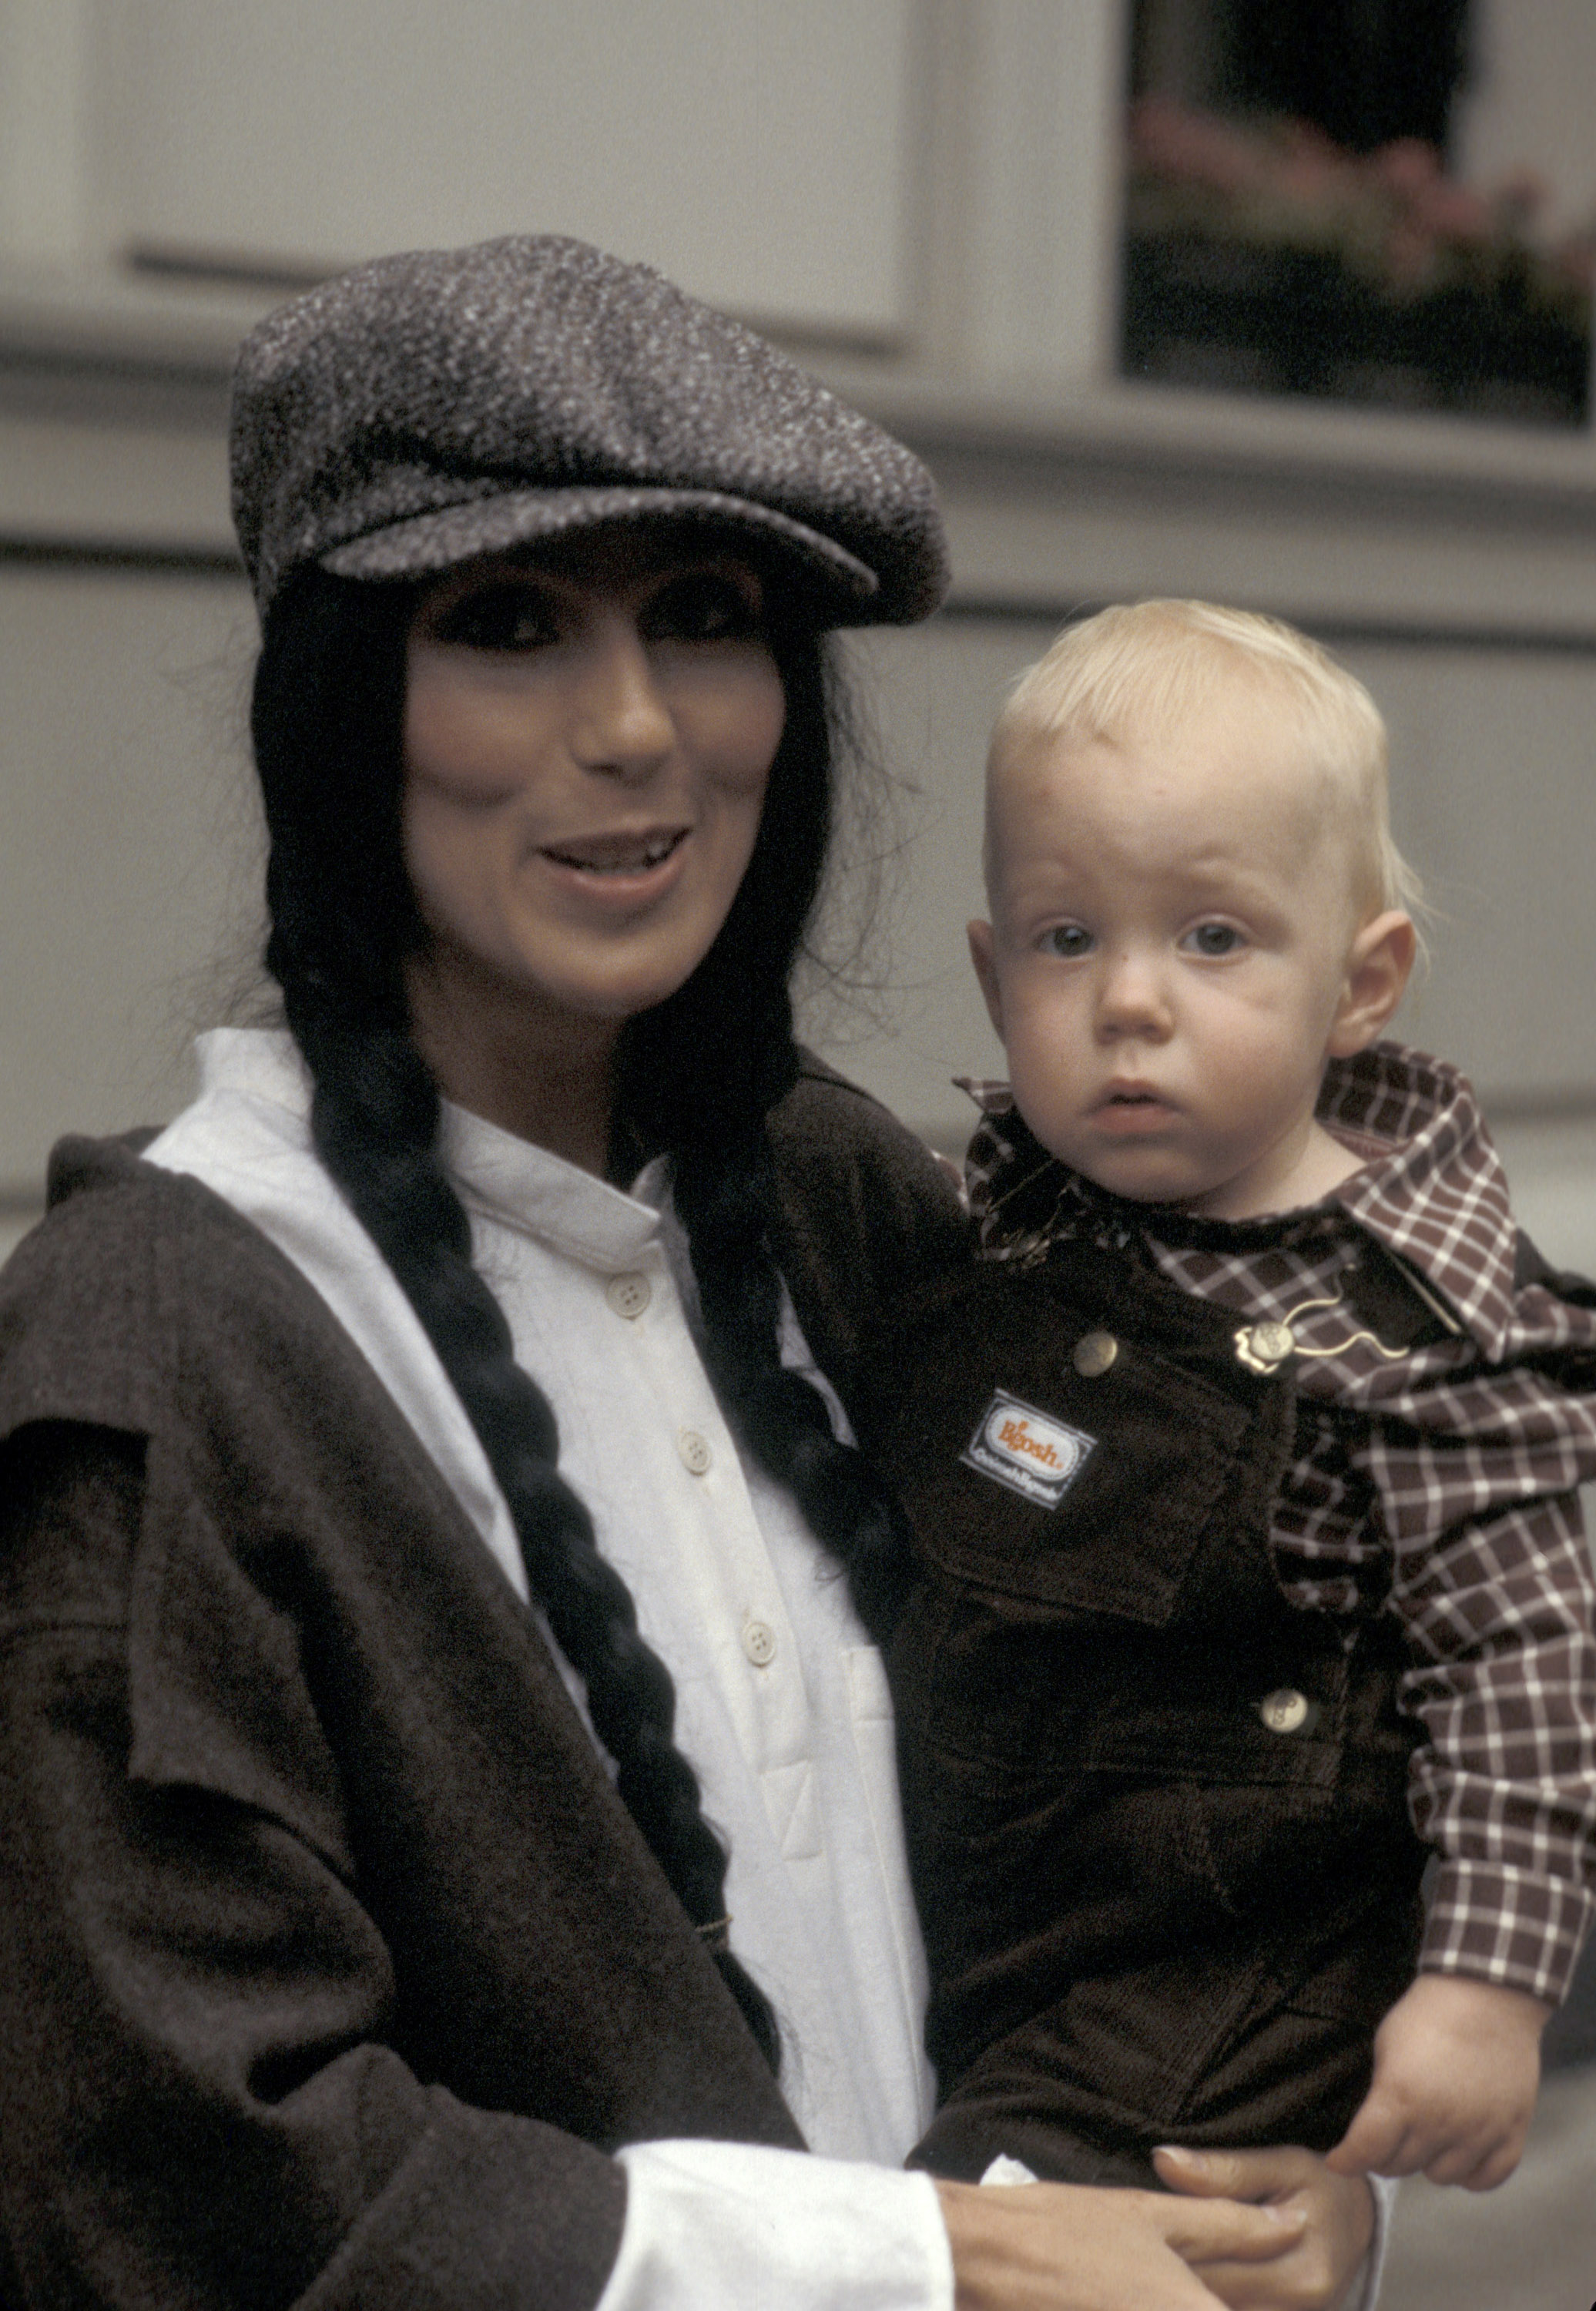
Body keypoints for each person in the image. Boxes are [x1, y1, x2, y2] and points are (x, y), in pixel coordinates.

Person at [0, 245, 1376, 2311]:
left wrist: (1271, 2173)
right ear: (340, 710)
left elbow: (1148, 1810)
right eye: (509, 625)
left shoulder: (851, 1211)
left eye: (706, 620)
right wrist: (929, 2265)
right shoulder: (161, 1353)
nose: (633, 727)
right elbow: (178, 2183)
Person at [853, 599, 1596, 2201]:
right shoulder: (1009, 1225)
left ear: (1359, 981)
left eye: (1212, 939)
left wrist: (1482, 1992)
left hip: (1224, 1967)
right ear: (993, 976)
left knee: (1009, 2227)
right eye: (1066, 939)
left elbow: (1528, 1669)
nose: (1129, 1001)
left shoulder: (1417, 1331)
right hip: (991, 1908)